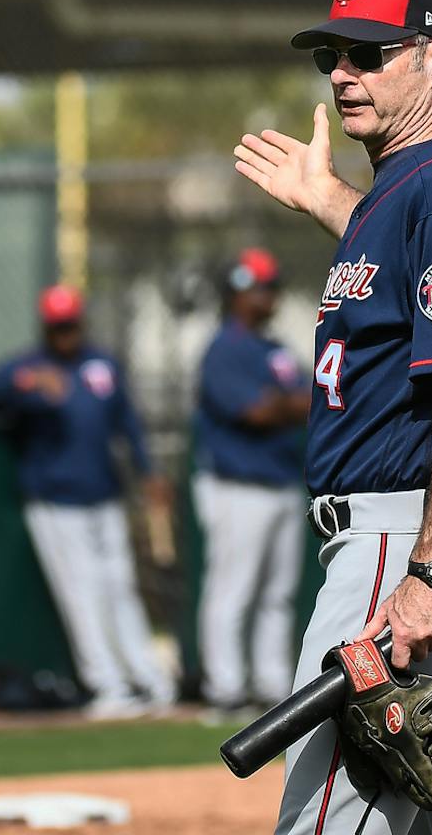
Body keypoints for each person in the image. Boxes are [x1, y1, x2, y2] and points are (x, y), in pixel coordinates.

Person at [233, 0, 432, 835]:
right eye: (334, 53)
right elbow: (406, 287)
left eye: (371, 53)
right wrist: (336, 203)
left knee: (332, 819)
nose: (342, 72)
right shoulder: (415, 187)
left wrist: (430, 572)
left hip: (407, 537)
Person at [0, 285, 176, 719]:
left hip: (104, 495)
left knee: (120, 589)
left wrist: (147, 469)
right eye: (58, 327)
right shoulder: (29, 367)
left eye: (70, 324)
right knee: (82, 593)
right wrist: (24, 384)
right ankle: (108, 686)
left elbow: (127, 421)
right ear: (46, 327)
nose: (65, 334)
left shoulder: (101, 364)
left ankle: (149, 681)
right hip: (56, 502)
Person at [192, 248, 309, 717]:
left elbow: (312, 397)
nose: (265, 296)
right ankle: (225, 689)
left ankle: (271, 684)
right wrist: (289, 403)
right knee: (232, 591)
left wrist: (285, 402)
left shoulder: (274, 348)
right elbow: (257, 412)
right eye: (254, 289)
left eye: (268, 287)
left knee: (276, 594)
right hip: (237, 485)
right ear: (234, 296)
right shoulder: (225, 348)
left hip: (280, 482)